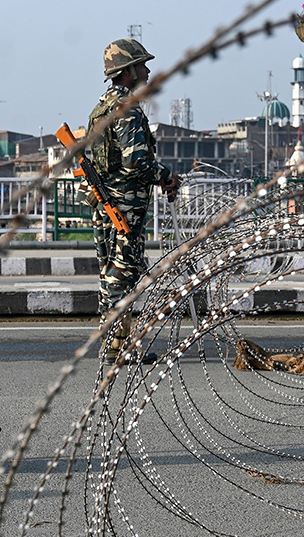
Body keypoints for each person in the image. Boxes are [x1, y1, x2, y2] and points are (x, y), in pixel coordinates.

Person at [85, 38, 180, 364]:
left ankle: (118, 345)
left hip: (106, 205)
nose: (147, 70)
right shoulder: (126, 110)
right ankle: (114, 348)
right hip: (123, 208)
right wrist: (166, 175)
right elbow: (136, 162)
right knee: (120, 276)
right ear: (127, 72)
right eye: (141, 65)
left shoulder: (101, 108)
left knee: (114, 275)